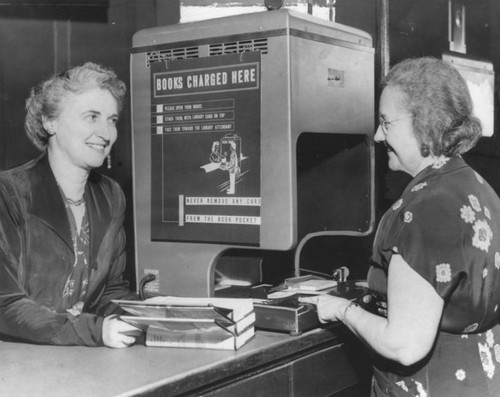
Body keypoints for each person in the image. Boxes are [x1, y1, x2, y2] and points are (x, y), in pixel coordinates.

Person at [300, 57, 500, 396]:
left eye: (385, 123)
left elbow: (404, 345)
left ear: (424, 124)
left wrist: (341, 310)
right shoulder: (479, 189)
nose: (378, 135)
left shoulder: (421, 210)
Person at [0, 62, 140, 348]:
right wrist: (95, 330)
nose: (106, 133)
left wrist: (155, 314)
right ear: (50, 121)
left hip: (77, 356)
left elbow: (110, 291)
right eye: (92, 116)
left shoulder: (111, 195)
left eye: (112, 120)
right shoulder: (8, 193)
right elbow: (5, 305)